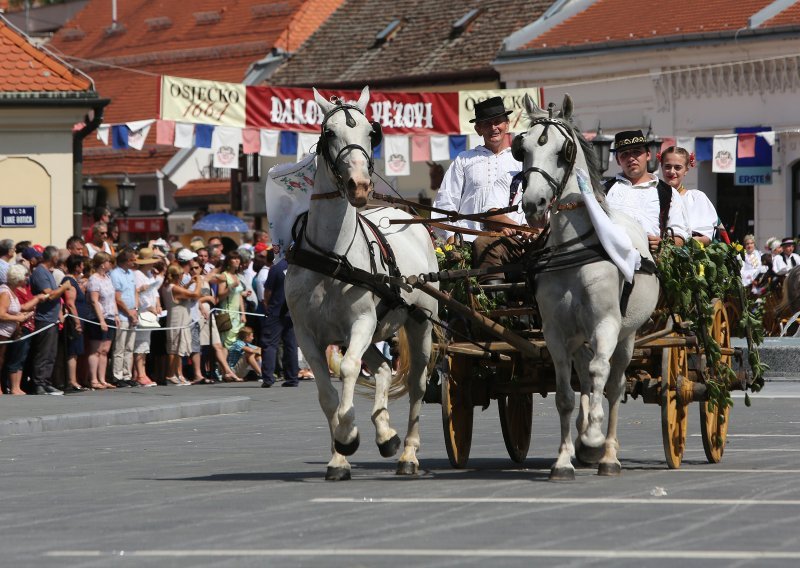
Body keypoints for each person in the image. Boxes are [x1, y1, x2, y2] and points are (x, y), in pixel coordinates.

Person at [432, 97, 522, 244]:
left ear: (507, 125)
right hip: (469, 239)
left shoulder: (520, 160)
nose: (493, 128)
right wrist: (450, 236)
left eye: (497, 121)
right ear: (478, 129)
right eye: (487, 124)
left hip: (513, 240)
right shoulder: (464, 159)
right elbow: (446, 200)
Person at [605, 130, 689, 251]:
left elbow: (680, 235)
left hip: (649, 265)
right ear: (618, 160)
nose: (631, 158)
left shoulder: (667, 193)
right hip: (608, 261)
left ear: (648, 155)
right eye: (624, 154)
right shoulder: (604, 190)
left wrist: (664, 244)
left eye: (636, 152)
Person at [28, 246, 72, 395]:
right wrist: (64, 287)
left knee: (51, 353)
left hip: (52, 319)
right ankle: (39, 383)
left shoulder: (48, 272)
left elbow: (55, 298)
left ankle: (46, 382)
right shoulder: (40, 273)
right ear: (53, 257)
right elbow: (50, 295)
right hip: (44, 319)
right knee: (43, 353)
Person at [1, 265, 47, 395]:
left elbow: (17, 309)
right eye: (25, 276)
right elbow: (1, 314)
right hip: (2, 332)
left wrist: (21, 317)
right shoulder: (5, 292)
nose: (27, 279)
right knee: (3, 359)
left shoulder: (12, 291)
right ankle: (6, 387)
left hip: (11, 331)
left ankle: (12, 387)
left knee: (10, 358)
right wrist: (19, 318)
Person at [659, 146, 718, 245]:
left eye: (677, 167)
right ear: (662, 167)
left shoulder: (697, 198)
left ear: (686, 170)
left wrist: (679, 243)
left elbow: (706, 237)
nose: (672, 171)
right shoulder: (653, 196)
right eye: (668, 166)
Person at [260, 254, 299, 387]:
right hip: (292, 311)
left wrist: (267, 304)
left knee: (270, 344)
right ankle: (292, 378)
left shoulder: (276, 268)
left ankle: (268, 378)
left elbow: (268, 291)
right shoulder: (297, 268)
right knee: (291, 345)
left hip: (276, 310)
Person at [162, 264, 201, 385]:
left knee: (178, 348)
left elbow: (183, 291)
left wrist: (189, 283)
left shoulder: (168, 286)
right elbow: (195, 294)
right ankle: (170, 375)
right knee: (174, 349)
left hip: (179, 319)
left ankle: (176, 374)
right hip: (177, 320)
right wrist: (199, 282)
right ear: (177, 276)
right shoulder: (174, 288)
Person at [86, 252, 118, 390]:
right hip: (98, 317)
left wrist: (115, 315)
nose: (111, 264)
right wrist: (101, 320)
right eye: (109, 262)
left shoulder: (108, 278)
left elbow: (112, 298)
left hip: (110, 315)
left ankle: (102, 379)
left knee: (105, 350)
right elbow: (94, 301)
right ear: (102, 263)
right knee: (96, 350)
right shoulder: (94, 279)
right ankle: (93, 379)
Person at [132, 248, 162, 387]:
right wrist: (149, 306)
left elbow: (154, 291)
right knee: (140, 343)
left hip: (151, 312)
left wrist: (158, 304)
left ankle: (140, 373)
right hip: (143, 311)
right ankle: (140, 373)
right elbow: (138, 294)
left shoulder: (149, 274)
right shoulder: (137, 274)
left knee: (145, 344)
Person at [62, 255, 92, 392]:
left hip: (80, 319)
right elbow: (70, 303)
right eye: (81, 265)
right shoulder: (68, 281)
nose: (83, 267)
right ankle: (72, 381)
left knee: (77, 351)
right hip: (74, 321)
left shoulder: (75, 281)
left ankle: (76, 380)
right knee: (73, 352)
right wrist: (77, 322)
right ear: (76, 266)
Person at [110, 249, 139, 387]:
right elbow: (117, 298)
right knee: (120, 347)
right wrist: (128, 313)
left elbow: (134, 292)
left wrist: (135, 311)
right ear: (126, 261)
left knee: (129, 347)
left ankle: (127, 375)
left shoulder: (131, 273)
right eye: (132, 260)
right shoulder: (115, 274)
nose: (134, 262)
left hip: (132, 313)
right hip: (122, 315)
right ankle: (117, 375)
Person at [215, 250, 246, 348]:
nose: (237, 261)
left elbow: (239, 295)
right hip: (227, 314)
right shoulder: (224, 276)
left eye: (238, 259)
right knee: (227, 343)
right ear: (228, 261)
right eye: (234, 258)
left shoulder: (236, 275)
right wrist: (231, 286)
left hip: (237, 315)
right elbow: (220, 295)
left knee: (236, 343)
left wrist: (243, 313)